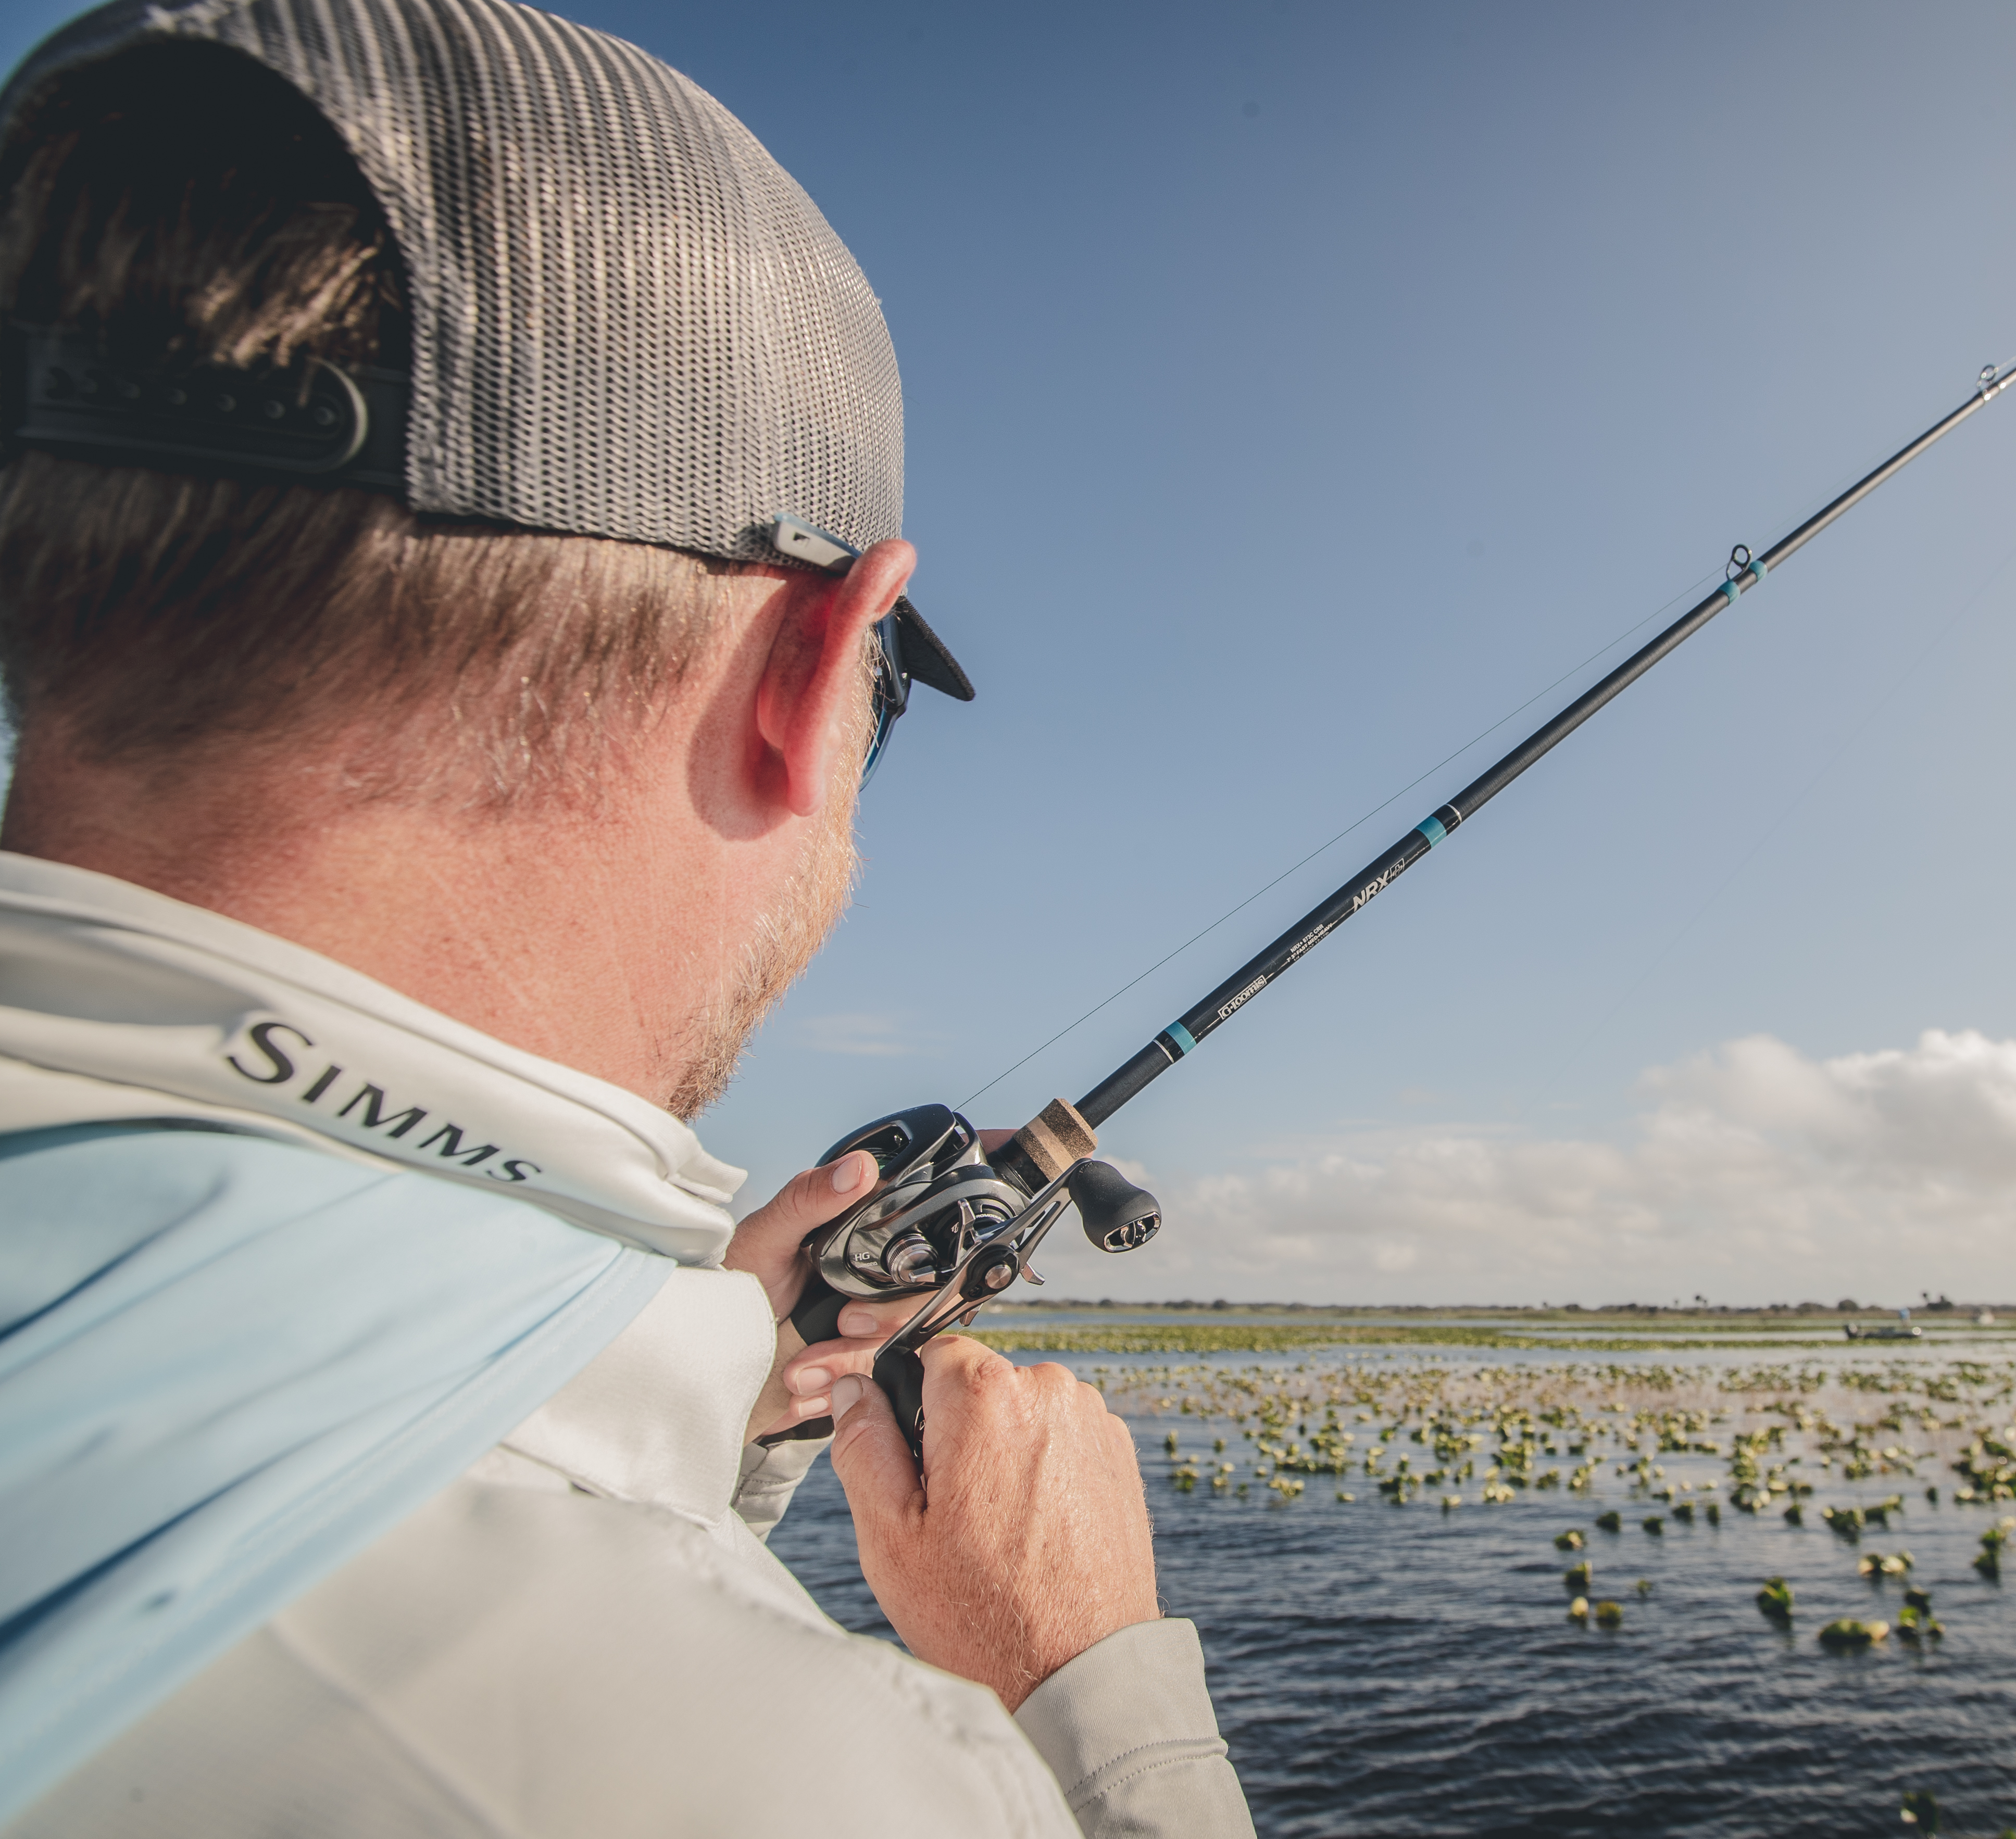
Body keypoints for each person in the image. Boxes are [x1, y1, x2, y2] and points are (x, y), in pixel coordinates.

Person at [0, 1, 1253, 1833]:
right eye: (884, 711)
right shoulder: (792, 1789)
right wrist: (1091, 1695)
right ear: (813, 676)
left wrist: (690, 1415)